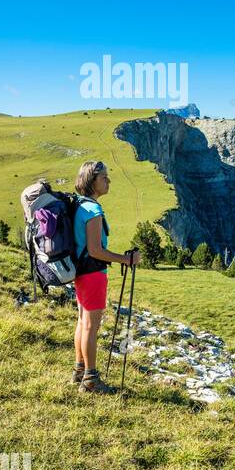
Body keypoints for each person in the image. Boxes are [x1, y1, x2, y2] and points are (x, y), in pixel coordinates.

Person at [71, 160, 139, 393]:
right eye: (104, 178)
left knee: (82, 322)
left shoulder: (80, 205)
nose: (108, 181)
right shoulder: (93, 210)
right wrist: (127, 259)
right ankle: (90, 379)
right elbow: (95, 250)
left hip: (81, 272)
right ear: (91, 182)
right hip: (93, 273)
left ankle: (80, 370)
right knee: (91, 326)